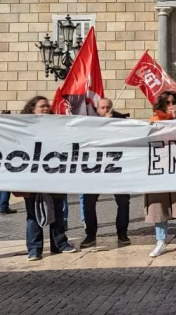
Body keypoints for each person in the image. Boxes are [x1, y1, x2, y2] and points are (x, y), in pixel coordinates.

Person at [21, 96, 77, 261]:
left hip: (54, 175)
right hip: (31, 177)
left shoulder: (55, 125)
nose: (45, 109)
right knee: (33, 214)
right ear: (32, 109)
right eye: (41, 106)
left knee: (58, 211)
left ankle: (59, 244)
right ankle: (34, 249)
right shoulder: (23, 127)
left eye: (47, 106)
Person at [146, 91, 176, 258]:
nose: (170, 105)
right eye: (167, 102)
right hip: (159, 170)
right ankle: (160, 241)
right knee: (158, 206)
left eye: (173, 102)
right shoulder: (154, 121)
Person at [80, 99, 132, 249]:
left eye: (108, 107)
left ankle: (122, 233)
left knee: (123, 203)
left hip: (117, 170)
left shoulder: (121, 121)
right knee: (88, 203)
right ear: (98, 110)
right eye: (103, 108)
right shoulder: (90, 123)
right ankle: (90, 235)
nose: (106, 109)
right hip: (95, 170)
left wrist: (113, 126)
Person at [0, 110, 18, 215]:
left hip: (0, 160)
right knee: (6, 185)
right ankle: (3, 206)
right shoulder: (9, 130)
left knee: (1, 185)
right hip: (8, 160)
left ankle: (2, 205)